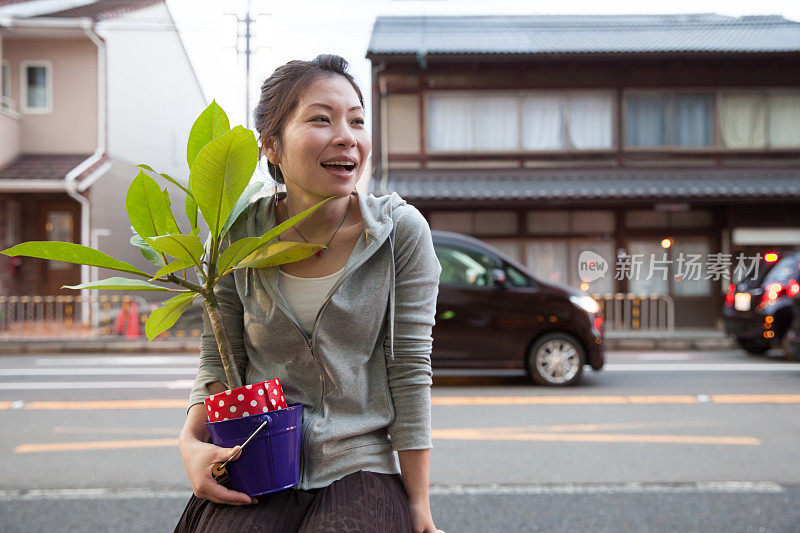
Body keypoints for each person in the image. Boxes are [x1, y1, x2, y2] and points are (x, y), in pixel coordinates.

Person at [175, 54, 445, 533]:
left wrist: (419, 503)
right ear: (272, 146)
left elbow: (410, 369)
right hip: (258, 453)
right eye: (321, 119)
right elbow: (219, 358)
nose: (347, 136)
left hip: (360, 464)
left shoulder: (399, 232)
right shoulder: (236, 235)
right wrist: (190, 444)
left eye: (357, 121)